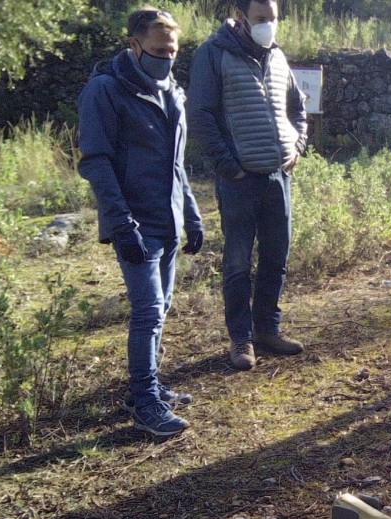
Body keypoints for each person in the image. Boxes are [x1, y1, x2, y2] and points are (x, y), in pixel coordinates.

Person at [78, 7, 203, 436]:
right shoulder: (105, 90)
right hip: (135, 221)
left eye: (173, 50)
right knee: (148, 311)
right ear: (133, 45)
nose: (167, 57)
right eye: (158, 49)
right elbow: (97, 161)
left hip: (167, 219)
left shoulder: (172, 91)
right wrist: (120, 223)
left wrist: (192, 212)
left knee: (162, 307)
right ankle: (145, 402)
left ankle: (144, 389)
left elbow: (177, 164)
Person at [188, 0, 308, 371]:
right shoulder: (213, 54)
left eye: (273, 18)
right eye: (260, 19)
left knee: (277, 256)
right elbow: (200, 114)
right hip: (239, 180)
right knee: (238, 261)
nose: (268, 25)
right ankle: (241, 339)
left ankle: (268, 330)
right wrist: (227, 165)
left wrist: (298, 146)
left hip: (277, 176)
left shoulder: (278, 56)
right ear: (241, 17)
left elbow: (297, 108)